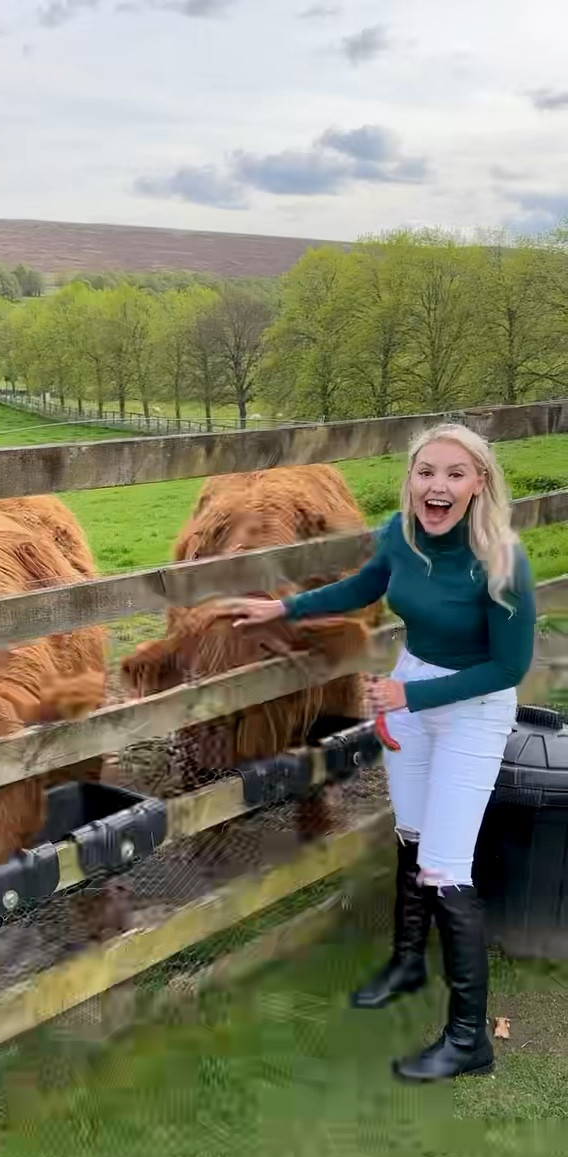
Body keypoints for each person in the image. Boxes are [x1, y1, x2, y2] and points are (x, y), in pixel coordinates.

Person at [213, 422, 537, 1083]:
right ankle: (408, 961)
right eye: (425, 472)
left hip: (468, 710)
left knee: (448, 870)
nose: (436, 486)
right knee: (412, 838)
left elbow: (508, 668)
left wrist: (405, 699)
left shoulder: (503, 559)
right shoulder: (400, 535)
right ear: (410, 480)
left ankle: (470, 1039)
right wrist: (282, 610)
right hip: (409, 691)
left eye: (454, 473)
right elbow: (360, 590)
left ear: (480, 483)